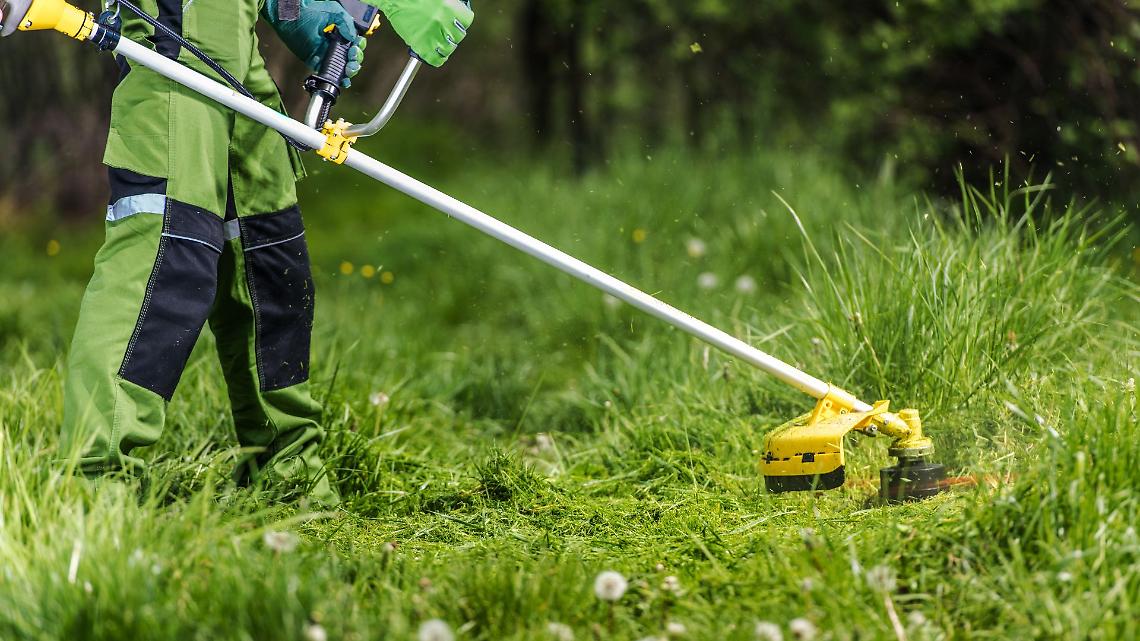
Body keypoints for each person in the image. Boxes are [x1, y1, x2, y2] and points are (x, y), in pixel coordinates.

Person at [59, 0, 474, 505]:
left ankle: (289, 473)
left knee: (270, 263)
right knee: (166, 261)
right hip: (172, 45)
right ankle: (96, 488)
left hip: (237, 57)